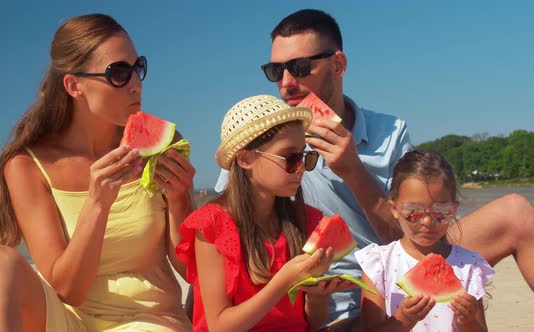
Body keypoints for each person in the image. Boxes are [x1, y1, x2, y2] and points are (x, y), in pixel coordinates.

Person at [215, 8, 534, 329]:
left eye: (298, 68)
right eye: (275, 70)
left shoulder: (390, 133)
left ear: (338, 65)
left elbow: (409, 234)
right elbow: (217, 239)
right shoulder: (260, 140)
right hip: (325, 300)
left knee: (517, 212)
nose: (286, 83)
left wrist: (353, 170)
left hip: (397, 266)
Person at [0, 13, 195, 331]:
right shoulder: (26, 166)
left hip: (148, 320)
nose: (137, 85)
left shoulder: (161, 145)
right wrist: (97, 204)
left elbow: (191, 272)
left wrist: (181, 199)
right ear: (75, 86)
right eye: (119, 73)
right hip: (68, 319)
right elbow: (68, 290)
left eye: (137, 67)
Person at [177, 95, 356, 331]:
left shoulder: (305, 220)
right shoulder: (211, 226)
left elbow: (311, 322)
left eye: (305, 157)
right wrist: (283, 281)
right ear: (246, 159)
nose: (301, 168)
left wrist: (317, 296)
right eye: (291, 158)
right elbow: (220, 326)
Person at [356, 150, 494, 331]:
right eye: (413, 211)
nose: (427, 222)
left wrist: (467, 322)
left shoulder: (468, 265)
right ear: (394, 208)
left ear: (453, 210)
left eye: (441, 212)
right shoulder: (378, 263)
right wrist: (403, 320)